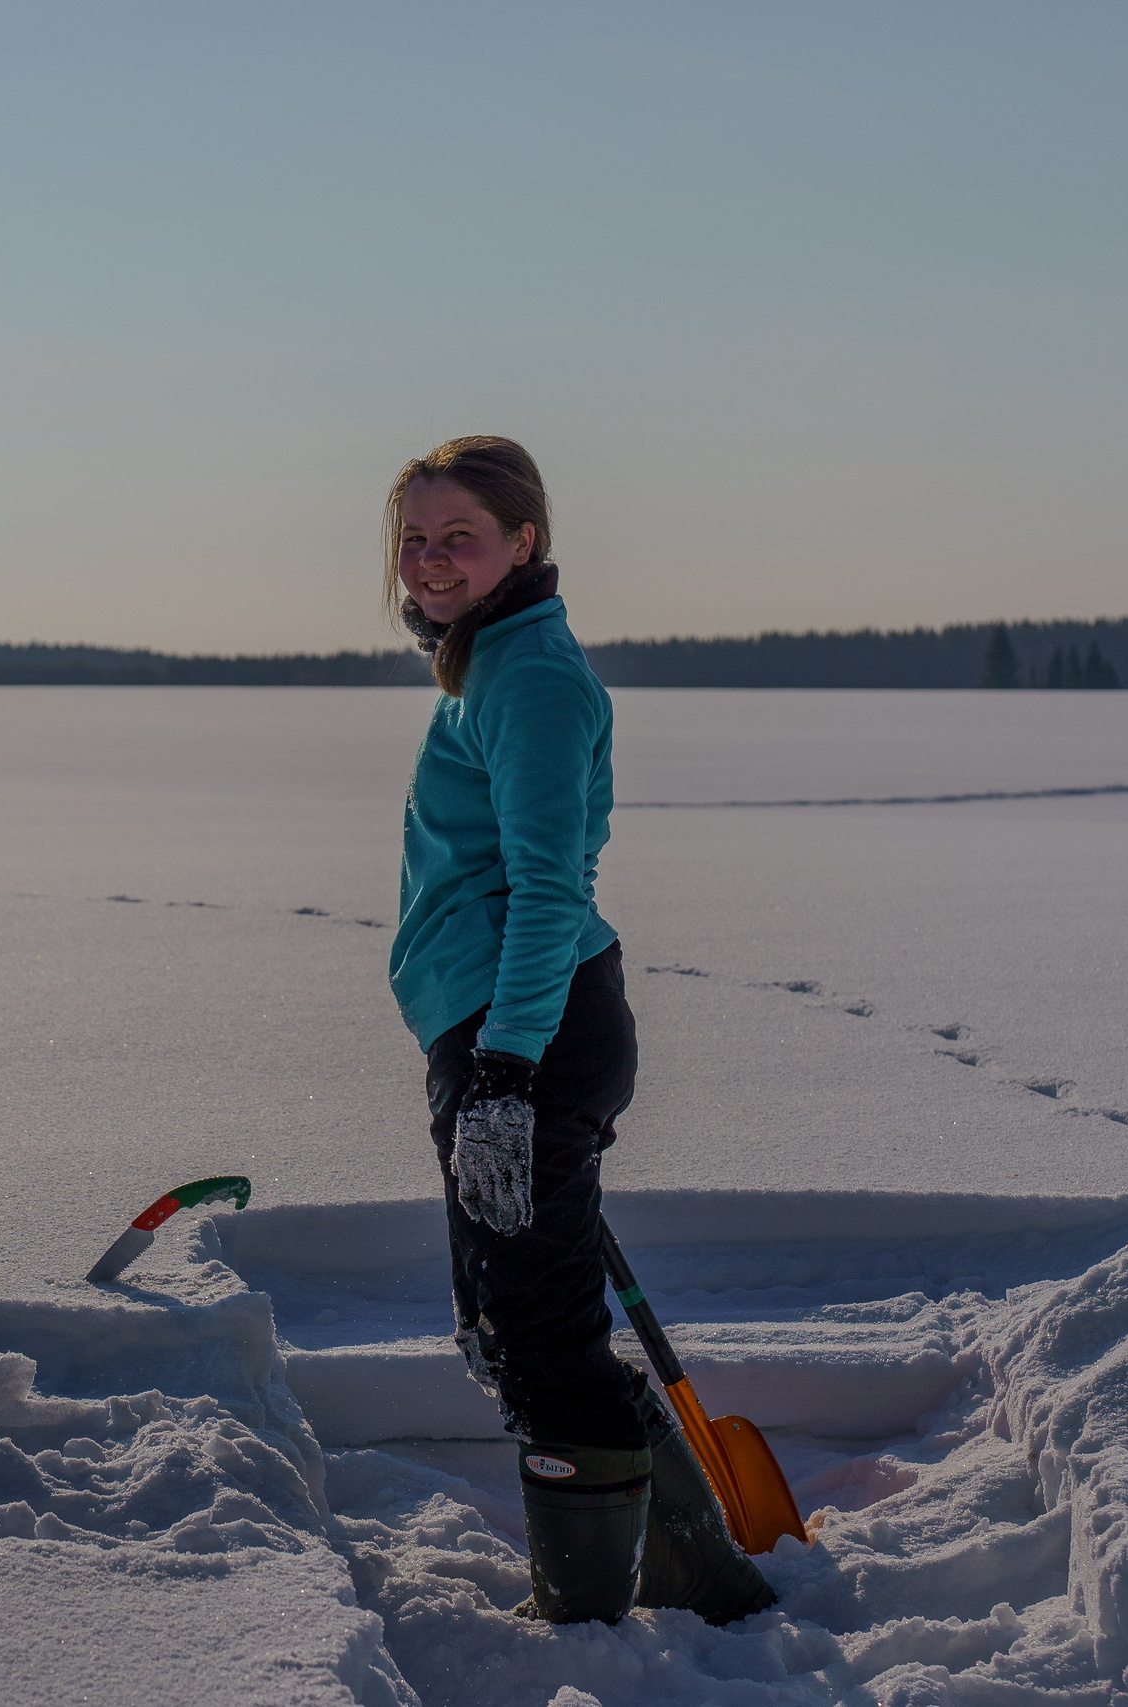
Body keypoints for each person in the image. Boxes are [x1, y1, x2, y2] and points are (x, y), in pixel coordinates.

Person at [385, 435, 774, 1627]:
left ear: (524, 542)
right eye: (414, 538)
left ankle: (596, 1622)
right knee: (518, 1325)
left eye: (459, 536)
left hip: (530, 1033)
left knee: (533, 1338)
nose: (431, 560)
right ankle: (695, 1580)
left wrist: (504, 1073)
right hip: (512, 1026)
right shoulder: (492, 661)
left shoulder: (530, 678)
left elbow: (549, 889)